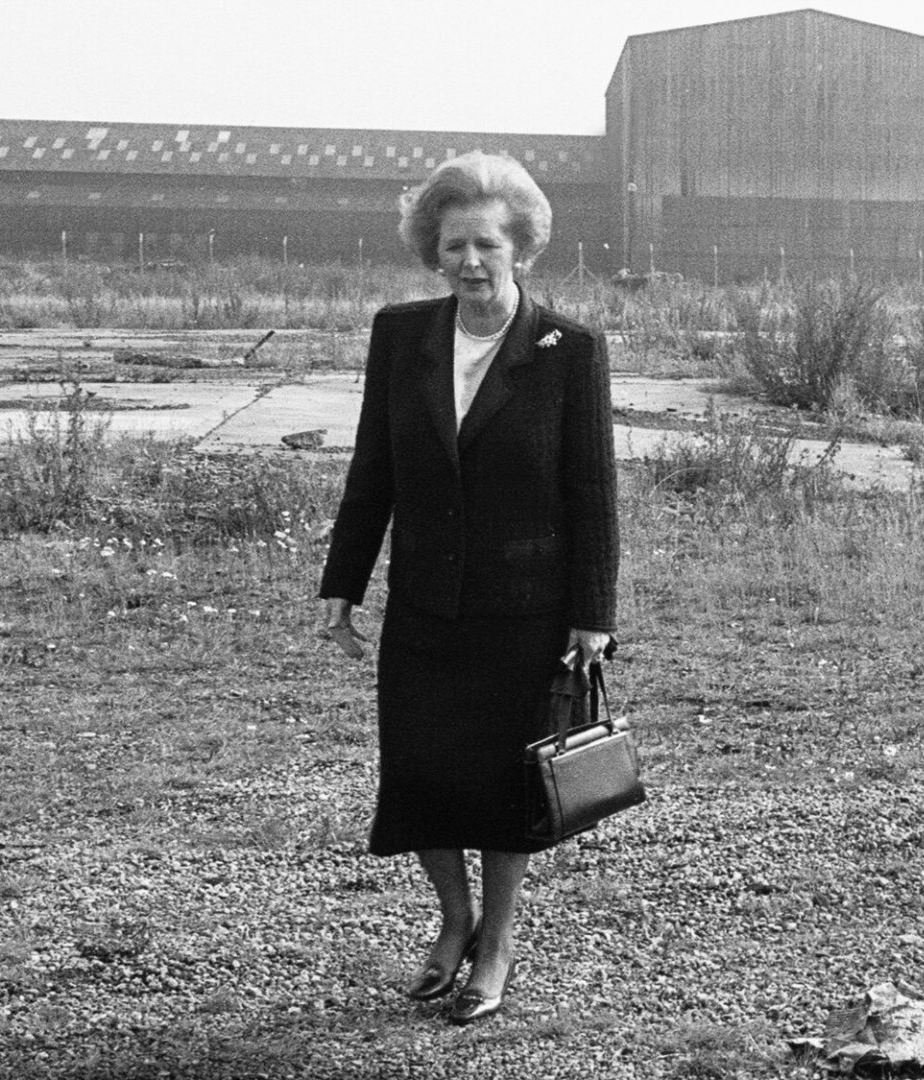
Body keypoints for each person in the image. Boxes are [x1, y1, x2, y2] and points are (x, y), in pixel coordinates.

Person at [317, 151, 620, 1026]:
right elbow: (373, 469)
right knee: (421, 774)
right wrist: (343, 583)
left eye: (487, 243)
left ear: (520, 246)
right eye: (453, 245)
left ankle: (496, 945)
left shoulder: (570, 350)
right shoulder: (400, 335)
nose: (470, 262)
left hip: (523, 609)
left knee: (503, 783)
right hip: (425, 600)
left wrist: (592, 615)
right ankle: (454, 919)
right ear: (433, 250)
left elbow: (591, 491)